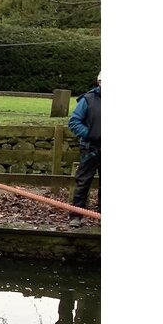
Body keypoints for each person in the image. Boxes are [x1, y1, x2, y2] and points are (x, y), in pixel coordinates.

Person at [67, 72, 100, 228]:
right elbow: (74, 121)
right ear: (99, 82)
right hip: (90, 148)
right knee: (83, 182)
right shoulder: (88, 99)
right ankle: (76, 216)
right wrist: (90, 134)